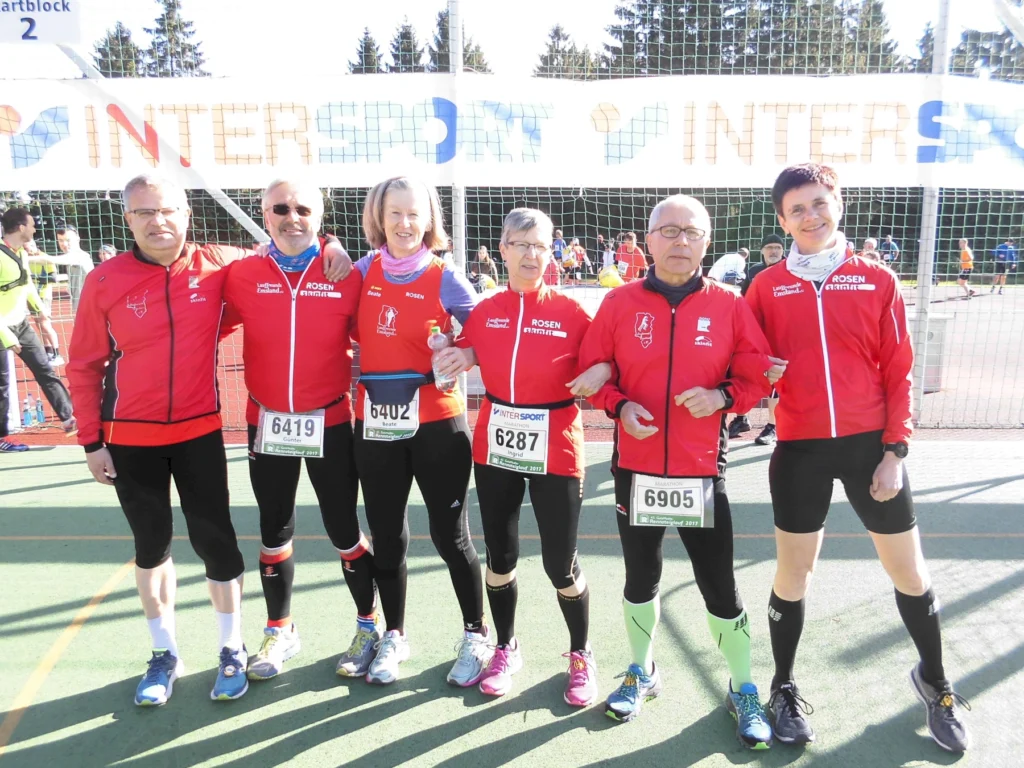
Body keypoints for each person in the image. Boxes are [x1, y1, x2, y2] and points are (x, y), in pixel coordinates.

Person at [67, 173, 352, 705]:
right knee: (151, 548)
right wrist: (91, 441)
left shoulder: (220, 266)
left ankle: (231, 649)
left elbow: (289, 242)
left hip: (200, 433)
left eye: (167, 210)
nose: (158, 221)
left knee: (217, 545)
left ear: (187, 214)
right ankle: (164, 654)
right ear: (127, 219)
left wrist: (330, 243)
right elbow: (83, 365)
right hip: (130, 440)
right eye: (144, 213)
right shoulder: (105, 281)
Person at [746, 163, 970, 752]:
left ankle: (936, 682)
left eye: (819, 203)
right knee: (793, 574)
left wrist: (895, 450)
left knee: (909, 572)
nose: (811, 216)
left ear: (837, 203)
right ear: (781, 220)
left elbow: (899, 370)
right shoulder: (767, 286)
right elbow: (747, 365)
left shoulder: (877, 278)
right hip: (799, 450)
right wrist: (744, 388)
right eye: (797, 209)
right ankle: (783, 687)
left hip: (873, 449)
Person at [579, 194, 782, 750]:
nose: (680, 241)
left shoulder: (731, 306)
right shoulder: (619, 304)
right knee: (640, 578)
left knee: (721, 587)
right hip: (636, 471)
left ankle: (743, 687)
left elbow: (758, 377)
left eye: (691, 232)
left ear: (707, 242)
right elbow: (592, 376)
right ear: (647, 241)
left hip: (699, 473)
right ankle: (640, 672)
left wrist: (721, 397)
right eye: (668, 231)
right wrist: (619, 407)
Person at [435, 208, 611, 705]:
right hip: (496, 446)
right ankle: (506, 647)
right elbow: (463, 349)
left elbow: (608, 359)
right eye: (522, 244)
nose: (532, 254)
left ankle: (581, 653)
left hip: (557, 446)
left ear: (551, 251)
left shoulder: (574, 313)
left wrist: (602, 371)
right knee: (501, 556)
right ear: (504, 248)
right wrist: (457, 353)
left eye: (541, 245)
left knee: (561, 564)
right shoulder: (487, 310)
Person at [221, 179, 379, 683]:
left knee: (343, 528)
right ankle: (280, 628)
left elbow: (378, 336)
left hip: (330, 422)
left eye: (303, 209)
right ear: (264, 214)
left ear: (320, 215)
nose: (292, 217)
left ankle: (368, 626)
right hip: (266, 423)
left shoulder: (344, 274)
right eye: (280, 208)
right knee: (273, 530)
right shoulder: (241, 274)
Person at [352, 176, 489, 687]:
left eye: (414, 214)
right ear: (379, 217)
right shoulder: (360, 273)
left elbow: (485, 328)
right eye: (395, 214)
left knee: (451, 537)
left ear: (429, 219)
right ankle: (394, 634)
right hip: (377, 426)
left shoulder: (447, 277)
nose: (405, 224)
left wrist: (467, 351)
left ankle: (476, 634)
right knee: (387, 536)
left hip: (438, 427)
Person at [0, 208, 77, 453]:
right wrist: (6, 336)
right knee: (2, 384)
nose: (34, 229)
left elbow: (26, 284)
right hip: (2, 328)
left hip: (21, 323)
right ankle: (2, 438)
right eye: (32, 225)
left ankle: (69, 419)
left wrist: (39, 309)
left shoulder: (21, 252)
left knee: (45, 369)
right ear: (21, 227)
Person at [730, 233, 786, 444]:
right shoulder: (753, 272)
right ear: (762, 251)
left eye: (777, 248)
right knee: (745, 373)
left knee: (774, 378)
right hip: (754, 333)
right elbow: (743, 301)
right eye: (769, 247)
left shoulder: (790, 271)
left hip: (779, 335)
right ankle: (741, 417)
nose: (773, 251)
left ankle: (772, 426)